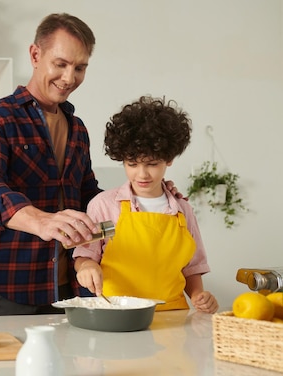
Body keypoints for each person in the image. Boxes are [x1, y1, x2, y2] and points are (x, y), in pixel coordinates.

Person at [0, 13, 103, 316]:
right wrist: (41, 221)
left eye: (80, 68)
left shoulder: (78, 129)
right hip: (9, 287)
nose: (69, 78)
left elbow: (89, 196)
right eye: (61, 64)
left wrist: (141, 196)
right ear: (35, 55)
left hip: (69, 287)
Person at [73, 96, 219, 313]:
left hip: (172, 317)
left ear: (169, 159)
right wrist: (86, 266)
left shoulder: (182, 210)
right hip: (118, 314)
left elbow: (191, 268)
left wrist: (199, 296)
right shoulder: (105, 206)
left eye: (152, 164)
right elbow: (85, 254)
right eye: (132, 164)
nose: (142, 174)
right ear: (121, 158)